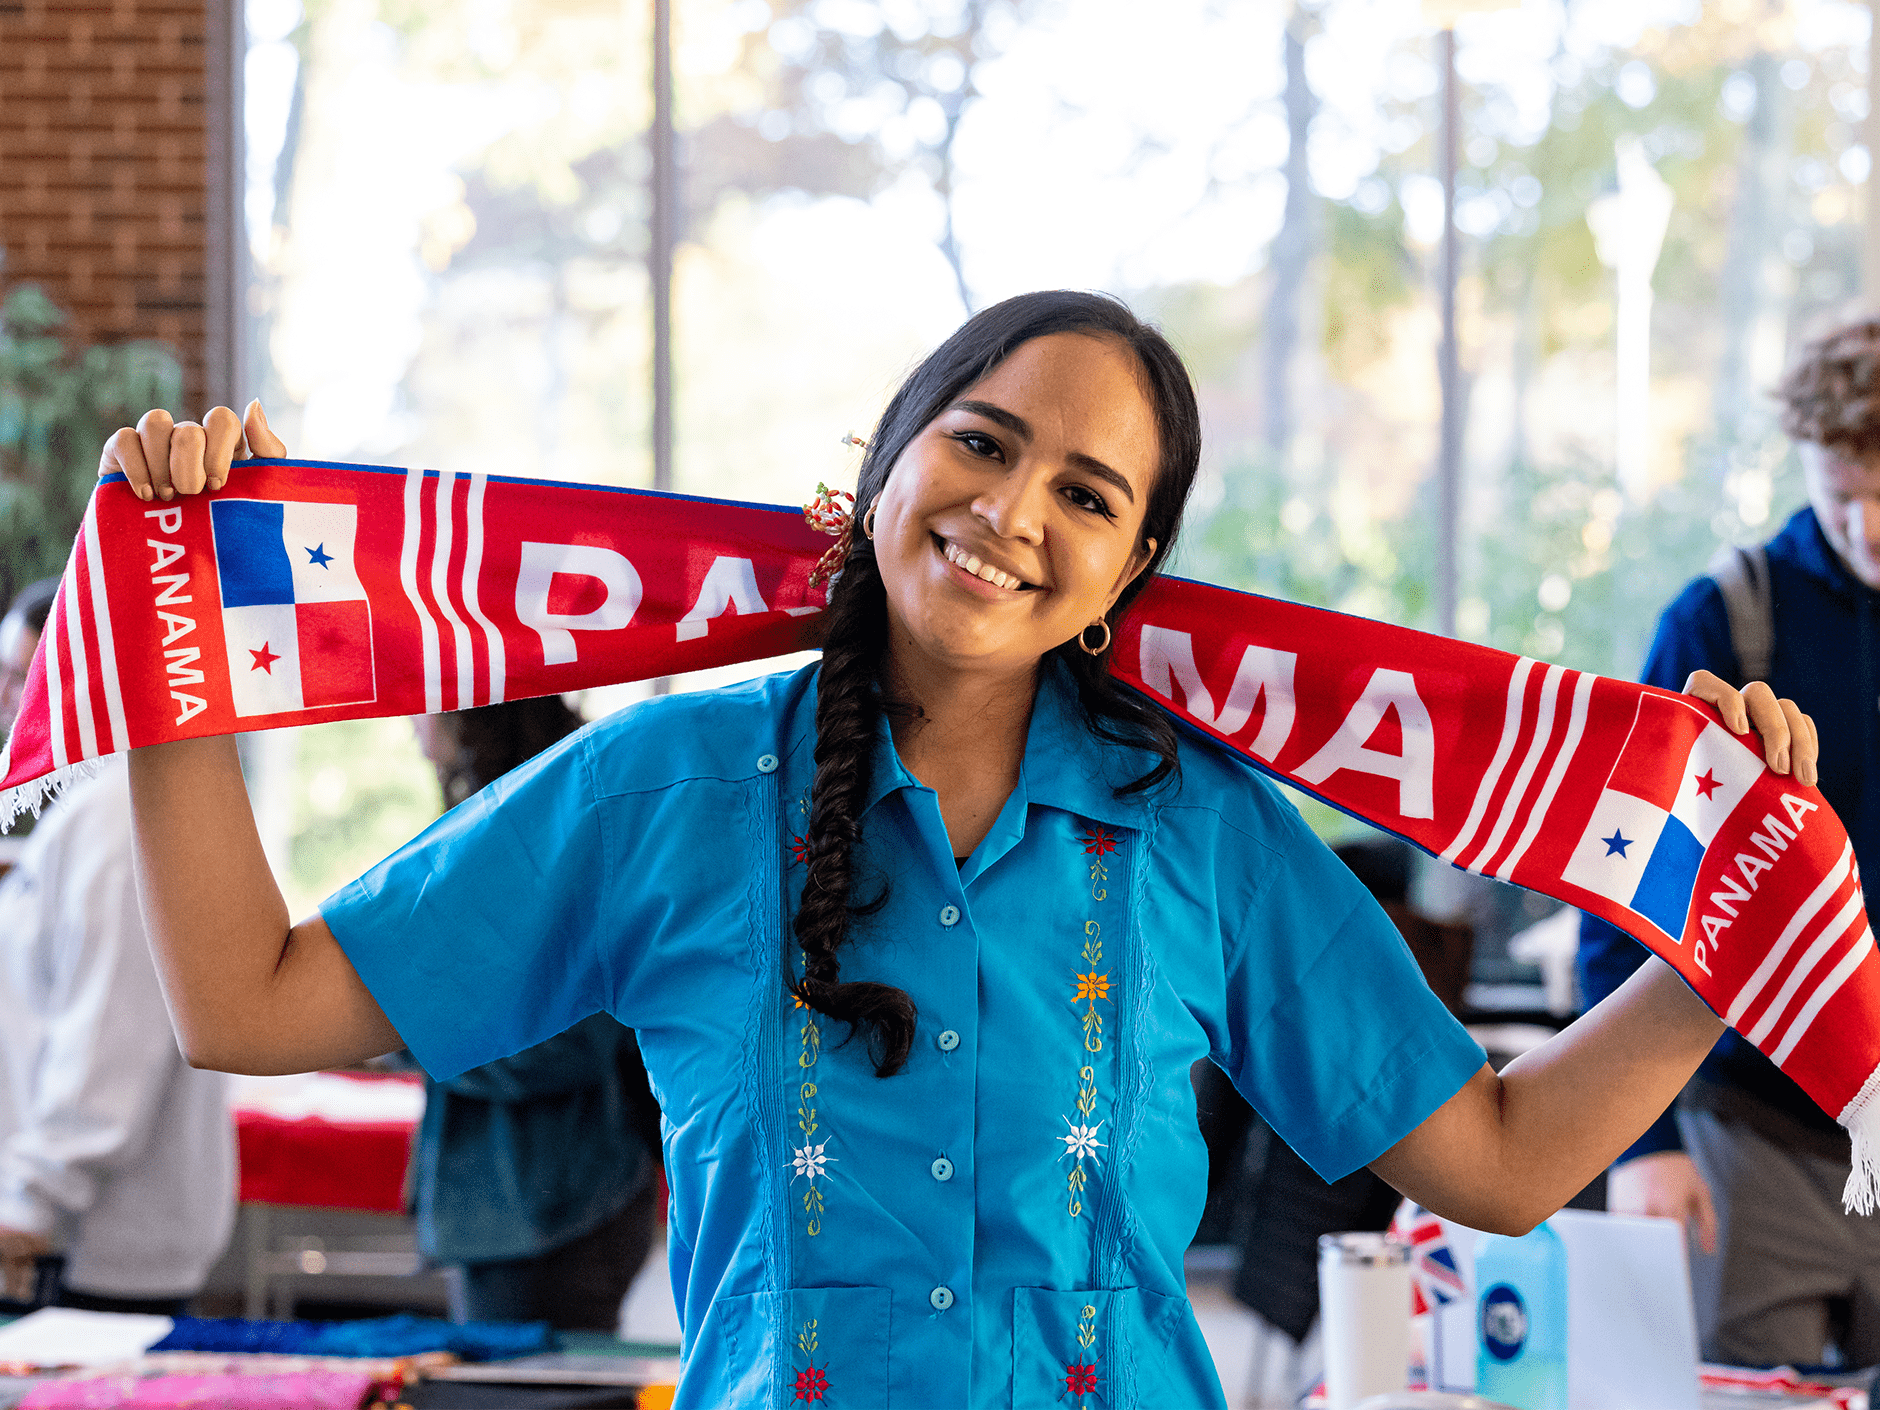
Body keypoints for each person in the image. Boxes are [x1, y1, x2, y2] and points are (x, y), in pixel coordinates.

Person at [103, 291, 1808, 1408]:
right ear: (888, 464)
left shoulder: (1202, 829)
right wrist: (175, 648)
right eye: (984, 443)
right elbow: (248, 1005)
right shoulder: (672, 788)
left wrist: (1735, 919)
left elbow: (1499, 1165)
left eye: (1088, 492)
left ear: (1132, 569)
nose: (1014, 514)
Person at [1579, 313, 1880, 1369]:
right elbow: (1620, 885)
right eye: (1844, 492)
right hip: (1756, 1133)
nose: (1869, 526)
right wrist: (1644, 1143)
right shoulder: (1726, 619)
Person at [0, 580, 235, 1316]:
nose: (7, 699)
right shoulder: (90, 804)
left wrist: (29, 1202)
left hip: (88, 1241)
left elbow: (111, 1042)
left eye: (20, 677)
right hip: (77, 1226)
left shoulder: (118, 817)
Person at [405, 698, 662, 1331]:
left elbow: (569, 1040)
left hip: (548, 1211)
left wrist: (404, 1021)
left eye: (418, 702)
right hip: (531, 1206)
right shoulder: (507, 825)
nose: (406, 722)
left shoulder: (555, 831)